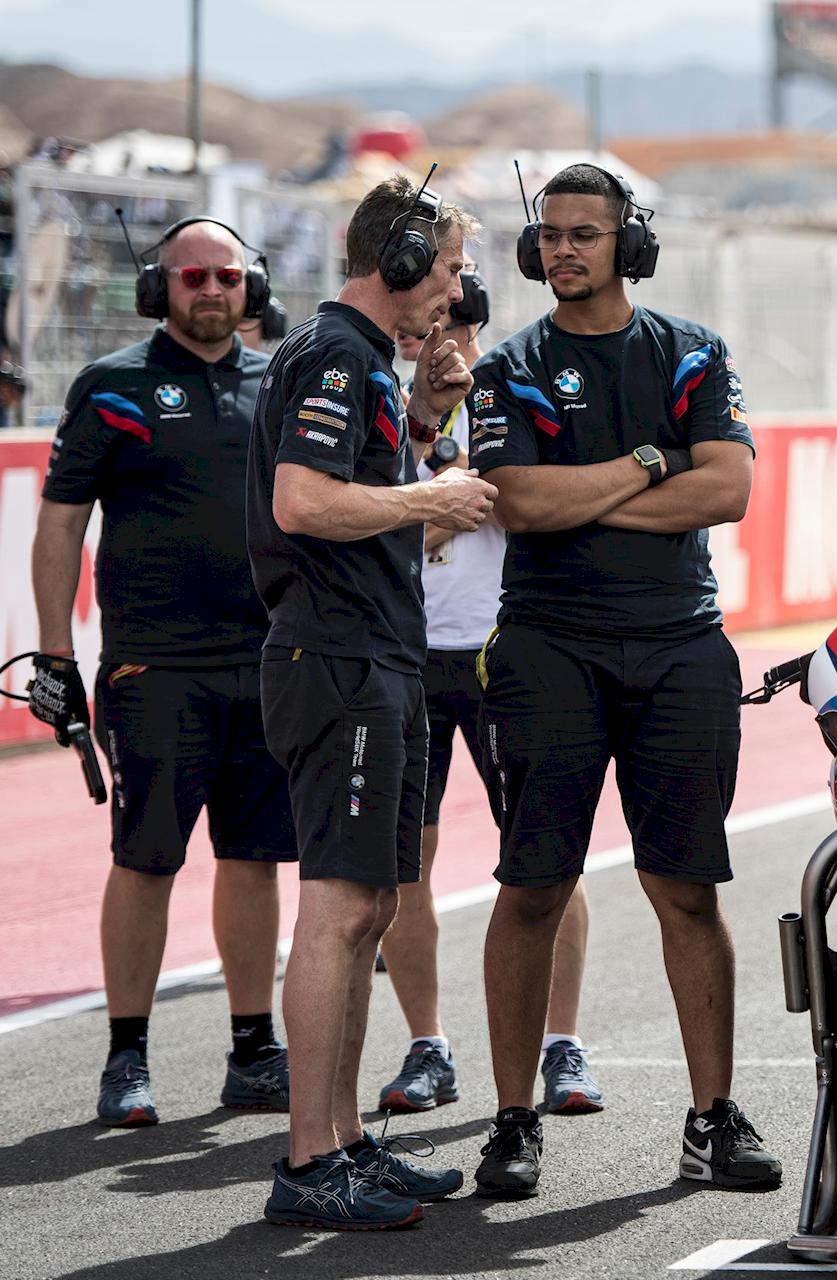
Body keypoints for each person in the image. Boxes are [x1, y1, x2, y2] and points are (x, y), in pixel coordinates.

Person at [465, 162, 777, 1197]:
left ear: (626, 245)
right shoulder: (507, 364)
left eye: (584, 235)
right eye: (549, 234)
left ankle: (712, 1114)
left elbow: (726, 487)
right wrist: (651, 466)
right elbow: (516, 503)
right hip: (548, 647)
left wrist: (583, 495)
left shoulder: (692, 350)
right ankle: (514, 1120)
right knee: (534, 885)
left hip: (681, 645)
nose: (563, 250)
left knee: (687, 888)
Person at [247, 175, 495, 1230]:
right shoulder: (339, 354)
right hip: (338, 661)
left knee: (374, 906)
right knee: (342, 906)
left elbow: (368, 498)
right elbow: (302, 501)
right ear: (392, 261)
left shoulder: (364, 363)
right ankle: (309, 1155)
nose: (452, 289)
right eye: (443, 268)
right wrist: (433, 491)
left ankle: (343, 1140)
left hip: (374, 660)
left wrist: (427, 421)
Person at [29, 217, 294, 1127]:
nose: (210, 290)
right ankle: (126, 1059)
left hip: (268, 663)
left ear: (250, 286)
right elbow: (60, 523)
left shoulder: (281, 383)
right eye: (192, 276)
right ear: (161, 289)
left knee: (254, 859)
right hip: (154, 666)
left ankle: (255, 1051)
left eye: (226, 275)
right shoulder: (110, 387)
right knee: (146, 860)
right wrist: (55, 657)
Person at [376, 272, 606, 1118]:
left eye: (452, 323)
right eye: (420, 326)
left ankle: (561, 1044)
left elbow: (519, 506)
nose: (434, 340)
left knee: (544, 854)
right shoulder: (378, 405)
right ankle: (426, 1046)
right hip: (406, 656)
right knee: (407, 865)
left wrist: (430, 509)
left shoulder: (511, 391)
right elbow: (386, 523)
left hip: (506, 651)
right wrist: (435, 505)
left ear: (472, 324)